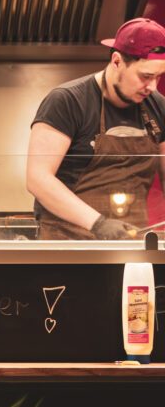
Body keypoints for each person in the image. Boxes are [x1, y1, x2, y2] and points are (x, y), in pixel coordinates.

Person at [27, 17, 165, 240]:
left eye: (158, 77)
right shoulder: (68, 101)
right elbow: (38, 178)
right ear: (117, 61)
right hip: (69, 245)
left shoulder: (157, 106)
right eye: (145, 76)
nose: (152, 87)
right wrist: (98, 224)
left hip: (131, 243)